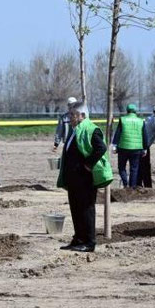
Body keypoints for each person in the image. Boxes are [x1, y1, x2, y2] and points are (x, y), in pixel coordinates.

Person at [55, 101, 112, 252]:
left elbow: (101, 148)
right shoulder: (75, 130)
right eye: (70, 114)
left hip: (85, 179)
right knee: (76, 209)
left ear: (82, 115)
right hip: (74, 179)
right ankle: (78, 239)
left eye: (73, 115)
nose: (70, 118)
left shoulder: (91, 129)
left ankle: (89, 242)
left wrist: (88, 165)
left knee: (86, 209)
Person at [112, 103, 148, 189]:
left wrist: (114, 145)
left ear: (127, 111)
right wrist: (145, 148)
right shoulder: (141, 121)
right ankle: (132, 187)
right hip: (137, 148)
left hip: (123, 147)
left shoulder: (123, 119)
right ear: (135, 111)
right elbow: (145, 135)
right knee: (134, 169)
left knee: (121, 167)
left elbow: (118, 133)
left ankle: (125, 183)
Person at [138, 105, 155, 188]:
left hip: (139, 145)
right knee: (146, 167)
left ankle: (138, 184)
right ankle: (148, 186)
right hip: (144, 146)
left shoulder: (148, 119)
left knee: (140, 166)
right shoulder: (154, 121)